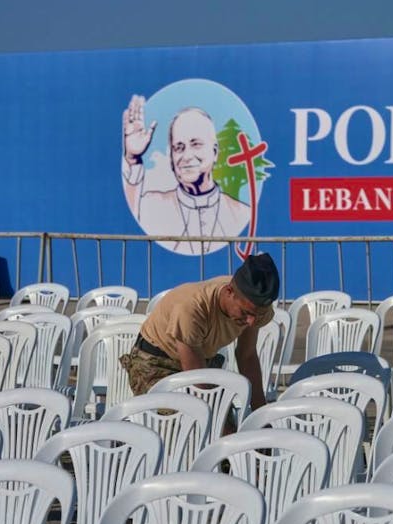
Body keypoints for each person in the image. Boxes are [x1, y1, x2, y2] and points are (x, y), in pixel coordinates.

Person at [119, 252, 279, 409]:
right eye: (245, 313)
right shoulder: (191, 309)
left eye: (257, 316)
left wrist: (260, 413)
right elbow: (197, 381)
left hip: (200, 358)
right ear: (229, 292)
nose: (251, 322)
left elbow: (247, 355)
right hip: (155, 362)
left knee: (225, 424)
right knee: (184, 421)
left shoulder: (255, 308)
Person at [121, 96, 250, 255]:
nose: (187, 156)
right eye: (179, 148)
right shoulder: (150, 206)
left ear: (215, 152)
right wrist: (133, 159)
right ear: (171, 159)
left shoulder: (240, 212)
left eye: (196, 144)